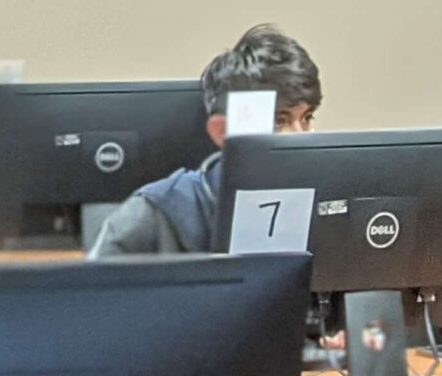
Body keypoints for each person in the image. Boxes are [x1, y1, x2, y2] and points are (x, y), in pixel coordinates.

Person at [89, 24, 322, 258]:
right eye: (279, 120)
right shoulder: (152, 214)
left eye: (306, 118)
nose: (299, 135)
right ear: (221, 131)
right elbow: (87, 292)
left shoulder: (321, 205)